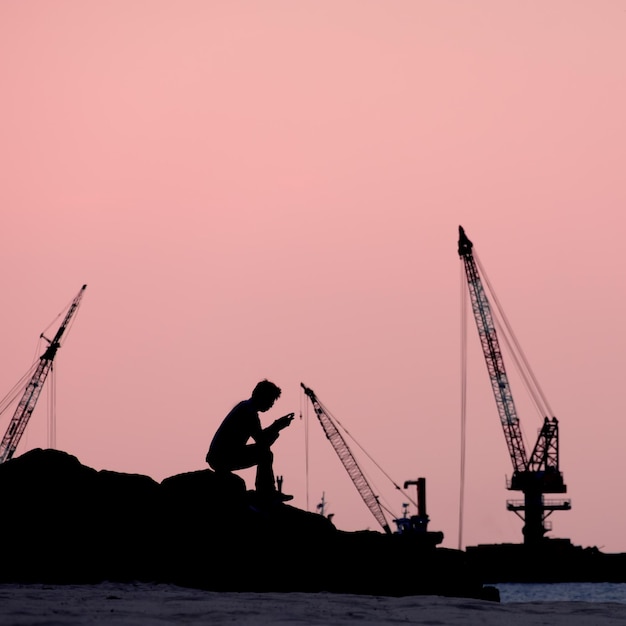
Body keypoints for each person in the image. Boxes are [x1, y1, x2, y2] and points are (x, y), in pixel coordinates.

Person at [206, 379, 294, 503]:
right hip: (223, 457)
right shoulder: (248, 412)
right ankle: (266, 492)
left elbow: (261, 438)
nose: (271, 405)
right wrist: (278, 426)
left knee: (264, 452)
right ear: (263, 397)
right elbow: (262, 441)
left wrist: (276, 426)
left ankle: (266, 491)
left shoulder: (245, 407)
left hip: (222, 455)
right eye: (271, 400)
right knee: (265, 454)